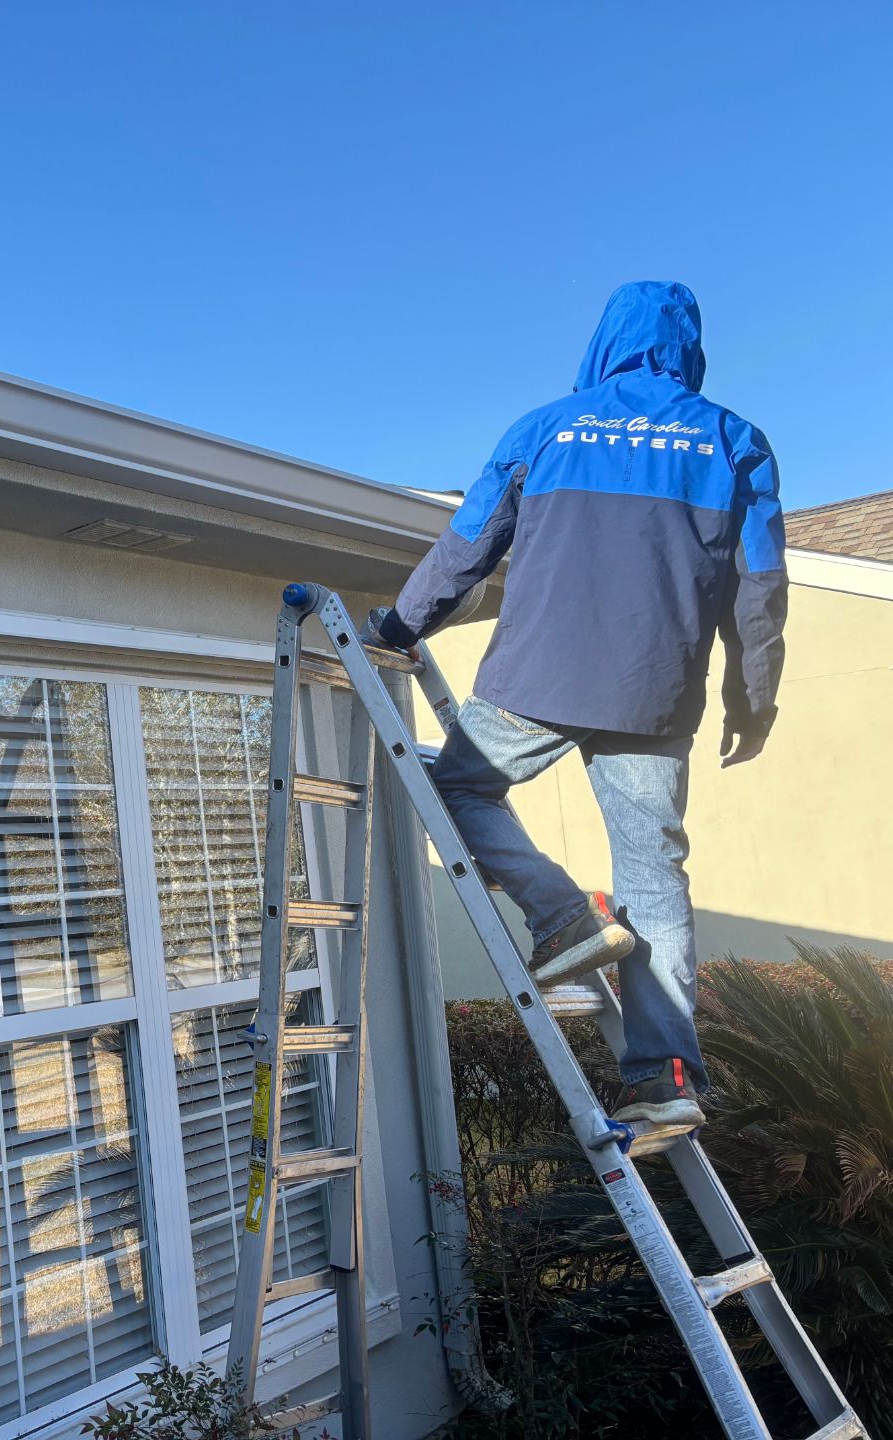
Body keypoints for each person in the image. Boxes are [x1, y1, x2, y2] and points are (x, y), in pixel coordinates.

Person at [368, 280, 787, 1131]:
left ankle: (562, 916)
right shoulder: (735, 440)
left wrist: (400, 625)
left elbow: (468, 546)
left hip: (539, 680)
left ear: (606, 341)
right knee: (655, 875)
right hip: (657, 692)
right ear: (689, 346)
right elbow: (762, 589)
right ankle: (666, 1074)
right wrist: (755, 702)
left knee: (455, 789)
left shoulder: (547, 428)